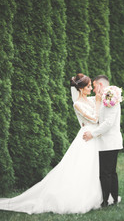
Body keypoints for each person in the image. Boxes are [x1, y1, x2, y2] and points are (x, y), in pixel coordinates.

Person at [0, 73, 115, 215]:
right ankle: (79, 198)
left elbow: (101, 109)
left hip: (94, 136)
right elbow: (94, 118)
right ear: (80, 89)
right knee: (83, 168)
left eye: (91, 85)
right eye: (88, 86)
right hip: (86, 137)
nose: (91, 88)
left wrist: (110, 96)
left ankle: (100, 196)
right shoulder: (77, 104)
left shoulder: (90, 100)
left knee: (96, 169)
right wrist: (97, 102)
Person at [83, 75, 123, 207]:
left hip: (109, 142)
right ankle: (113, 199)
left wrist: (92, 134)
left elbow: (108, 123)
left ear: (100, 85)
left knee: (106, 173)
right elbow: (97, 112)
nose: (94, 90)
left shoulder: (111, 96)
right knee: (110, 172)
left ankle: (106, 201)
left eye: (94, 86)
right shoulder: (105, 96)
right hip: (107, 142)